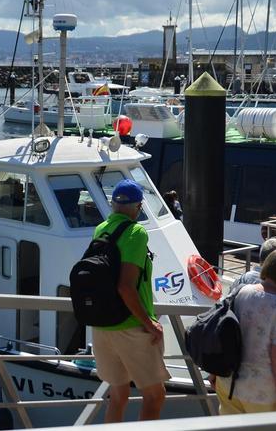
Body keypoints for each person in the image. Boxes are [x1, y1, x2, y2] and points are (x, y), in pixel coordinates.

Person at [92, 179, 169, 423]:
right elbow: (125, 286)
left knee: (119, 394)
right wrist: (149, 323)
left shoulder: (101, 229)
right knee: (155, 396)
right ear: (138, 207)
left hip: (102, 326)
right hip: (128, 326)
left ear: (113, 205)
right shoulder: (136, 232)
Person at [215, 248, 276, 414]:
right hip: (262, 393)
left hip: (229, 383)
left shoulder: (241, 292)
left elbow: (222, 333)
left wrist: (214, 372)